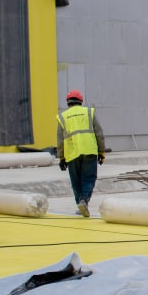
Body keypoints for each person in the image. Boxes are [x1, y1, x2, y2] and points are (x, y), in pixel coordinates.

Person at [56, 89, 105, 217]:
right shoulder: (89, 112)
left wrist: (61, 158)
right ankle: (84, 201)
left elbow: (60, 140)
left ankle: (80, 204)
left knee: (76, 181)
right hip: (89, 151)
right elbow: (99, 134)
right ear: (81, 101)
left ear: (68, 102)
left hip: (72, 154)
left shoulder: (63, 117)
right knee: (88, 178)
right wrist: (102, 152)